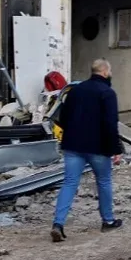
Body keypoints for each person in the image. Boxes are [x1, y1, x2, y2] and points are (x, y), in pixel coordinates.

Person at [51, 59, 124, 243]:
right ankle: (107, 220)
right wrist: (116, 148)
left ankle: (58, 224)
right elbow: (110, 123)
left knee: (69, 183)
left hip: (73, 146)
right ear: (105, 72)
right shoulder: (107, 93)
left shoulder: (75, 90)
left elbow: (63, 117)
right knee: (104, 181)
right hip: (97, 147)